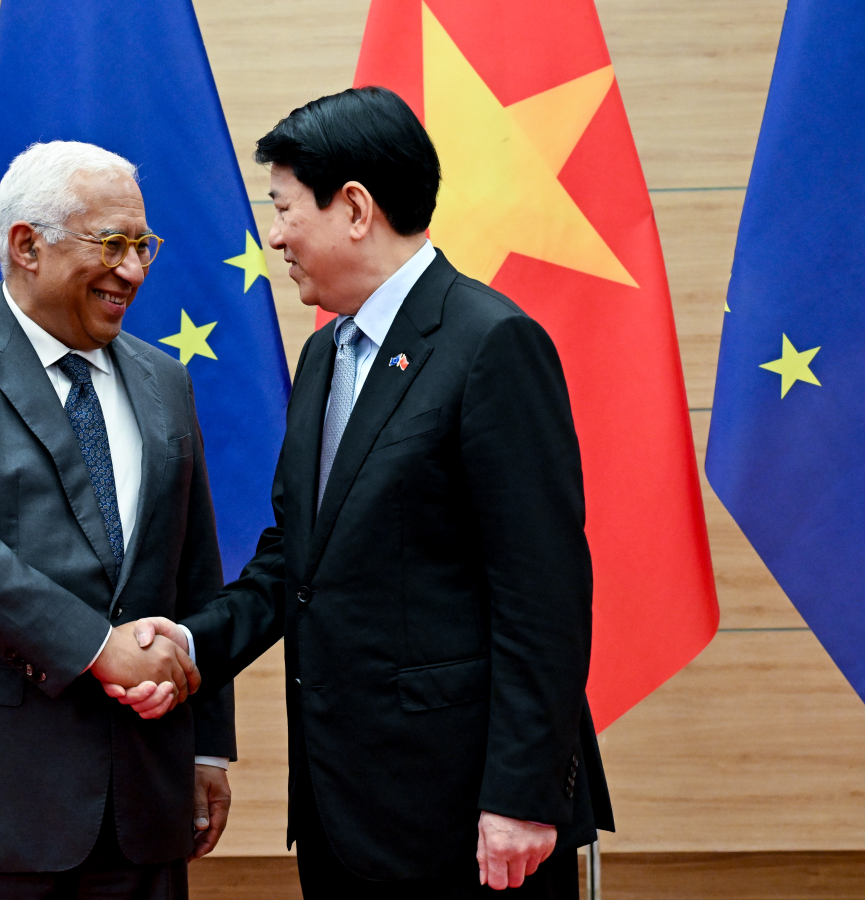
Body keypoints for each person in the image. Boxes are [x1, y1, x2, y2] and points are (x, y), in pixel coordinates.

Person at [113, 88, 614, 898]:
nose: (274, 235)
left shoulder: (490, 343)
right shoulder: (325, 358)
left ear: (353, 208)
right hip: (344, 807)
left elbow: (543, 594)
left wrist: (521, 796)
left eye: (282, 209)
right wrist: (192, 647)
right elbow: (294, 558)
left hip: (470, 818)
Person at [0, 140, 235, 900]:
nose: (132, 270)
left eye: (142, 245)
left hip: (145, 796)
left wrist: (206, 752)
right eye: (111, 243)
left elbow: (192, 567)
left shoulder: (165, 380)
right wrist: (98, 648)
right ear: (26, 246)